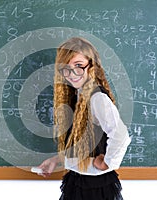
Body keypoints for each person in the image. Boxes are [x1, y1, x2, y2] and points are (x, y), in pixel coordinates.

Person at [37, 37, 131, 200]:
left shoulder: (97, 98)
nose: (72, 74)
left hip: (94, 188)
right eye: (66, 68)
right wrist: (57, 160)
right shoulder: (77, 96)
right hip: (78, 181)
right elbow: (82, 146)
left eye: (79, 66)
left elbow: (120, 135)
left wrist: (106, 163)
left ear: (91, 66)